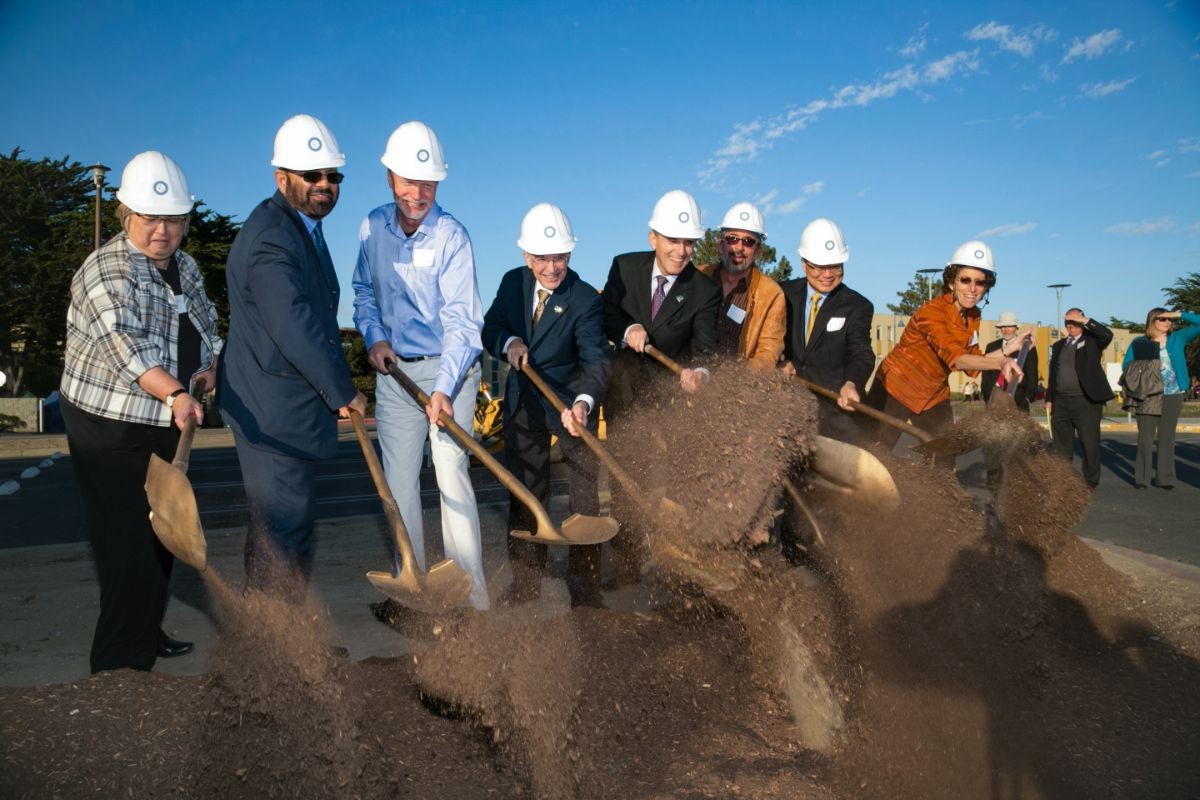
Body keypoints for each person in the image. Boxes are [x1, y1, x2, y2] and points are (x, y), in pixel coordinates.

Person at [60, 151, 221, 672]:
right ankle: (118, 669)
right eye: (151, 219)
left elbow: (207, 319)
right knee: (126, 539)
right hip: (108, 422)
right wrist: (176, 394)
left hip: (166, 415)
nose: (162, 231)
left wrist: (210, 366)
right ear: (125, 213)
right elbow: (123, 346)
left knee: (162, 532)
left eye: (173, 219)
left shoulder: (186, 265)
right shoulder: (105, 270)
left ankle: (146, 632)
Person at [218, 115, 366, 594]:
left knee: (285, 534)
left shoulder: (300, 229)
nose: (325, 185)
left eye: (332, 176)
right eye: (313, 175)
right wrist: (344, 390)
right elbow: (294, 326)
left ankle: (282, 651)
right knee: (281, 536)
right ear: (282, 178)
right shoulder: (272, 237)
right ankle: (274, 659)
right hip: (272, 414)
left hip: (284, 410)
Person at [352, 121, 489, 613]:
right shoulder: (371, 227)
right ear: (390, 177)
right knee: (398, 483)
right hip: (394, 375)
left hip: (449, 373)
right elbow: (364, 291)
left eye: (428, 182)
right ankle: (411, 590)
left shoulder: (453, 236)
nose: (418, 193)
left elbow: (463, 323)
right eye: (409, 180)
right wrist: (375, 336)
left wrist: (446, 387)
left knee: (451, 475)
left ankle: (472, 601)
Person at [482, 204, 611, 607]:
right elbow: (490, 327)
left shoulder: (585, 298)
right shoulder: (512, 284)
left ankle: (585, 591)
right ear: (526, 256)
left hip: (570, 404)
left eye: (559, 257)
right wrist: (509, 342)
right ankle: (526, 582)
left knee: (584, 498)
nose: (552, 268)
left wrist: (585, 404)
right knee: (525, 492)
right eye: (542, 258)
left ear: (570, 255)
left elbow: (596, 359)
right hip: (525, 406)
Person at [600, 189, 720, 585]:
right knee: (625, 475)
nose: (682, 250)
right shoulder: (624, 268)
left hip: (668, 397)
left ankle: (681, 559)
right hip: (622, 390)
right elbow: (606, 313)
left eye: (689, 242)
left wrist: (699, 375)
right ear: (653, 237)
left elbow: (703, 351)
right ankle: (626, 562)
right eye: (673, 240)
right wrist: (628, 327)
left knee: (672, 479)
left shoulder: (703, 291)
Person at [865, 240, 1025, 467]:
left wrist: (1008, 348)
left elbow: (972, 361)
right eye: (965, 280)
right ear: (951, 281)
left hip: (933, 395)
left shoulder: (973, 316)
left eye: (980, 283)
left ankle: (940, 500)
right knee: (876, 452)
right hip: (896, 388)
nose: (972, 289)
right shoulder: (931, 313)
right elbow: (957, 358)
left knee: (945, 454)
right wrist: (1002, 362)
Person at [780, 218, 874, 443]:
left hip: (835, 417)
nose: (828, 274)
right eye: (820, 266)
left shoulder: (857, 306)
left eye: (835, 265)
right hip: (787, 412)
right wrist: (780, 361)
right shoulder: (781, 294)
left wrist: (852, 383)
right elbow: (770, 338)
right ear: (804, 264)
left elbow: (861, 354)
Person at [694, 202, 785, 370]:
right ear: (720, 244)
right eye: (732, 239)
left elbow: (768, 352)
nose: (739, 248)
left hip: (734, 385)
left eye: (748, 241)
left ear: (758, 251)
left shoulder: (772, 294)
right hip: (689, 376)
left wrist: (737, 378)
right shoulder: (697, 276)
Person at [1121, 308, 1200, 489]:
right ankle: (1142, 479)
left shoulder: (1177, 338)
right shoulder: (1139, 342)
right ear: (1152, 321)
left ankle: (1164, 478)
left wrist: (1179, 315)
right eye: (1163, 319)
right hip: (1147, 396)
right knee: (1145, 438)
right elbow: (1127, 366)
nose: (1167, 322)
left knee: (1167, 437)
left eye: (1169, 319)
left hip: (1173, 395)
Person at [1046, 308, 1114, 489]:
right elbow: (1053, 373)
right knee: (1061, 445)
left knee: (1089, 443)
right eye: (1068, 322)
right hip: (1061, 401)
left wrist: (1084, 320)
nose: (1071, 325)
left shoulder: (1092, 341)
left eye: (1075, 321)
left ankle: (1090, 480)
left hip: (1086, 401)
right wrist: (1049, 398)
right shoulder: (1059, 345)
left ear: (1082, 321)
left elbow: (1107, 334)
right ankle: (1063, 479)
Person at [981, 310, 1039, 410]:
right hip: (994, 400)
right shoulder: (991, 347)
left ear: (1016, 327)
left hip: (1018, 401)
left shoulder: (1027, 347)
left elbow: (1032, 375)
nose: (1005, 329)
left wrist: (1027, 398)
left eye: (1009, 326)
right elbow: (986, 373)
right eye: (1003, 326)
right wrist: (986, 395)